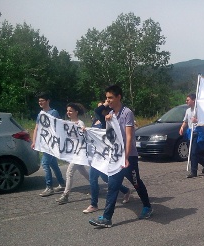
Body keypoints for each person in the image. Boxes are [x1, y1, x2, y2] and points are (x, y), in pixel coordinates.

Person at [89, 85, 152, 228]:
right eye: (106, 98)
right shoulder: (110, 113)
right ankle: (106, 218)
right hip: (116, 157)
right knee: (113, 185)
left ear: (119, 97)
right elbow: (97, 111)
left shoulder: (127, 113)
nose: (108, 100)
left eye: (110, 97)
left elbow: (129, 136)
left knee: (136, 182)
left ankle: (147, 206)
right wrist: (108, 112)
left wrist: (126, 157)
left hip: (129, 157)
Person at [82, 102, 131, 213]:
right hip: (98, 155)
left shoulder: (107, 120)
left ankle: (125, 190)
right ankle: (94, 204)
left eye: (103, 106)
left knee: (105, 178)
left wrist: (105, 104)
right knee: (94, 177)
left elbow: (98, 110)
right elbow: (94, 133)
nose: (101, 107)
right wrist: (87, 130)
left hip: (109, 154)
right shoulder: (96, 120)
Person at [31, 92, 66, 197]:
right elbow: (37, 128)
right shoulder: (40, 114)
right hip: (44, 143)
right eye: (39, 101)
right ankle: (62, 183)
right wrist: (34, 141)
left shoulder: (53, 112)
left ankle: (49, 187)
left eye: (42, 101)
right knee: (53, 164)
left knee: (45, 163)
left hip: (52, 143)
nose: (40, 103)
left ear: (48, 101)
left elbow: (59, 126)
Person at [55, 103, 90, 204]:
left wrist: (84, 130)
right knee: (82, 171)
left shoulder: (80, 123)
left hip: (80, 152)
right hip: (73, 153)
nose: (68, 113)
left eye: (70, 111)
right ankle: (95, 186)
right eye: (67, 111)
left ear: (76, 112)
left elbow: (84, 134)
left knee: (69, 172)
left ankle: (65, 195)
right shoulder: (67, 123)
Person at [179, 93, 204, 178]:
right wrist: (182, 128)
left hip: (198, 133)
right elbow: (185, 121)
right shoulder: (188, 111)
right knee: (192, 153)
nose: (186, 101)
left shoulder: (199, 110)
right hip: (190, 133)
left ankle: (193, 172)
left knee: (193, 153)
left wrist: (197, 120)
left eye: (188, 100)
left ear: (193, 100)